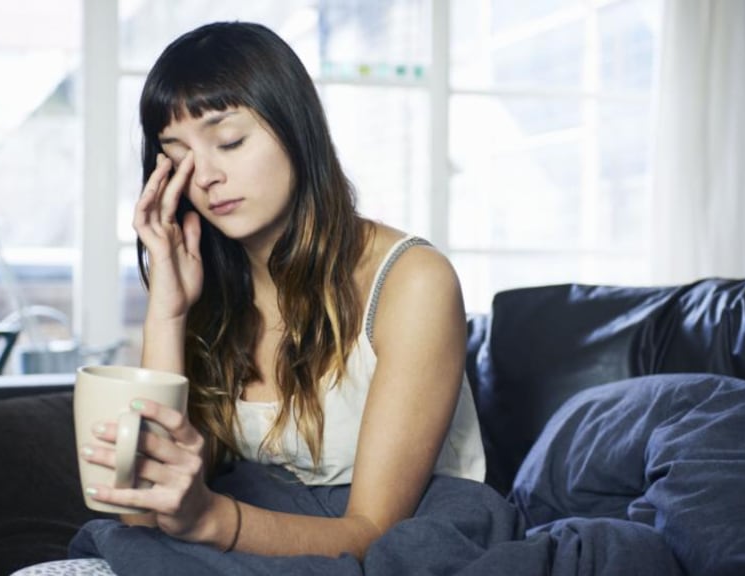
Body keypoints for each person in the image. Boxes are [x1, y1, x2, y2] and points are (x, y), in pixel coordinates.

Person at [76, 20, 485, 563]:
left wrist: (211, 518)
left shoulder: (414, 282)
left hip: (395, 553)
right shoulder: (212, 290)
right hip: (258, 544)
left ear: (295, 128)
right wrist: (169, 312)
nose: (205, 177)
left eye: (229, 141)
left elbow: (373, 534)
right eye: (178, 155)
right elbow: (139, 507)